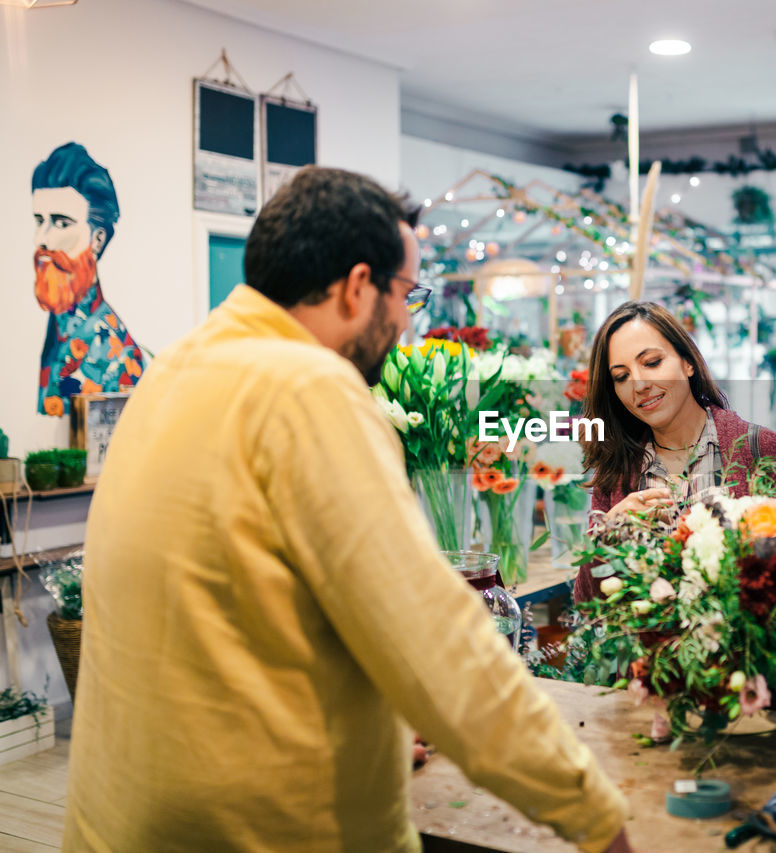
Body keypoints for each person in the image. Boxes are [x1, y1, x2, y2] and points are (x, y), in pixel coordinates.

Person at [64, 167, 632, 853]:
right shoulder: (308, 386)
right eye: (406, 294)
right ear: (358, 286)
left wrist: (380, 728)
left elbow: (233, 619)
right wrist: (595, 816)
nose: (406, 319)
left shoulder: (174, 369)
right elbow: (443, 646)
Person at [572, 301, 776, 605]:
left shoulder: (766, 452)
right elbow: (589, 603)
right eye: (621, 376)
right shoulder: (615, 474)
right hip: (649, 652)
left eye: (652, 362)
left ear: (687, 362)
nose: (639, 384)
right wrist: (607, 536)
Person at [31, 142, 146, 417]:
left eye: (61, 223)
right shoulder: (58, 323)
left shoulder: (119, 358)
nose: (42, 240)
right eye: (39, 221)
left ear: (97, 240)